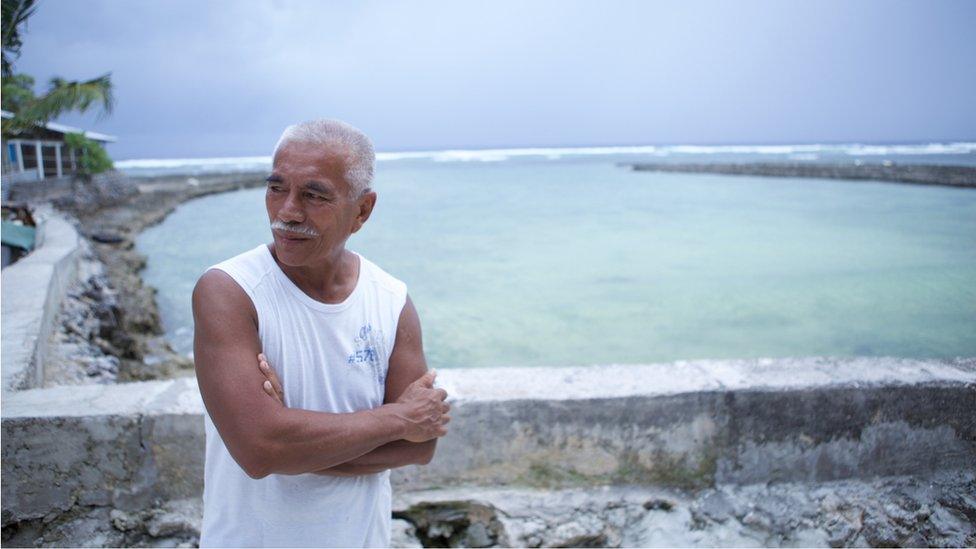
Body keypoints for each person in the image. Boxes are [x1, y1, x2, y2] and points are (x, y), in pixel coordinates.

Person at [192, 119, 450, 547]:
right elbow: (259, 449)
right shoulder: (230, 291)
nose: (288, 212)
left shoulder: (391, 300)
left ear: (362, 210)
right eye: (276, 189)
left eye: (314, 195)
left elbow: (418, 448)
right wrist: (396, 418)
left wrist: (291, 442)